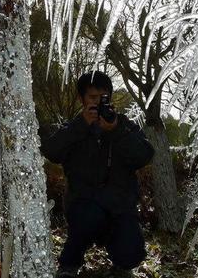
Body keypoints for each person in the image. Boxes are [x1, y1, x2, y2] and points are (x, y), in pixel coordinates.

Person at [40, 71, 155, 278]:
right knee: (87, 218)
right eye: (92, 97)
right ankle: (69, 263)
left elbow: (145, 155)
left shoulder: (123, 125)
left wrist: (116, 130)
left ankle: (121, 261)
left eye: (103, 98)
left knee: (132, 254)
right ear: (81, 99)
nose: (98, 103)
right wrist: (81, 125)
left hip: (120, 208)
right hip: (85, 206)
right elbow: (50, 151)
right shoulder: (73, 126)